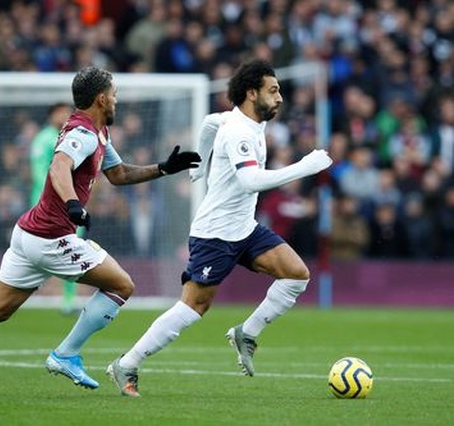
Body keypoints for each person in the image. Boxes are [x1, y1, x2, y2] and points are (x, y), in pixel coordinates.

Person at [0, 66, 201, 397]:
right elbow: (59, 166)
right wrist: (73, 204)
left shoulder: (98, 133)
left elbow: (119, 174)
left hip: (28, 233)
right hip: (51, 237)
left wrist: (163, 168)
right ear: (101, 99)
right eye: (114, 94)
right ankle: (66, 353)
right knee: (121, 285)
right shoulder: (82, 133)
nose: (117, 100)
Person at [106, 59, 333, 397]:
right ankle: (128, 363)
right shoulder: (239, 131)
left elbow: (210, 122)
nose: (280, 97)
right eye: (273, 91)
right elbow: (250, 180)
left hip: (244, 228)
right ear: (251, 93)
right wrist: (304, 167)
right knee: (192, 308)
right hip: (215, 234)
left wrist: (201, 162)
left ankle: (247, 333)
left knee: (296, 274)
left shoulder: (241, 120)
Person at [30, 102, 80, 315]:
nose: (64, 115)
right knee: (36, 250)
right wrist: (56, 194)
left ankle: (69, 300)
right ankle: (20, 290)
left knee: (73, 250)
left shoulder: (74, 138)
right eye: (60, 112)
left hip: (71, 204)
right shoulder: (43, 139)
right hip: (46, 204)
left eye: (67, 112)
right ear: (51, 115)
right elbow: (39, 171)